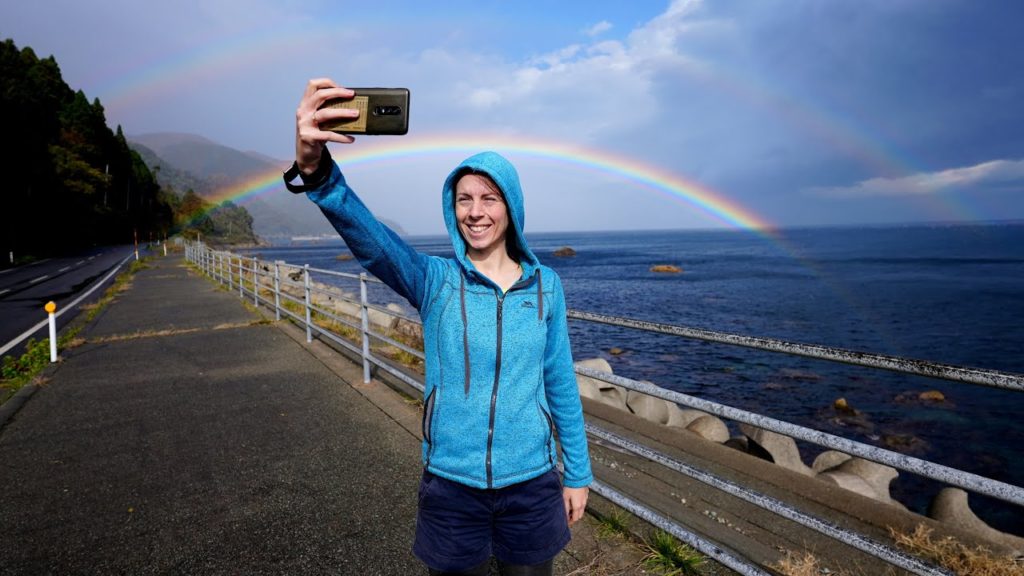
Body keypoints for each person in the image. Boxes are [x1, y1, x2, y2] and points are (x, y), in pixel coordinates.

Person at [284, 79, 593, 576]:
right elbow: (372, 241)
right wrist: (316, 171)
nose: (475, 212)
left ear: (511, 207)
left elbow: (559, 383)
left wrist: (577, 473)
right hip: (452, 487)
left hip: (533, 486)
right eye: (464, 199)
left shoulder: (546, 287)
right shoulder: (435, 281)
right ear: (452, 207)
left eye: (490, 198)